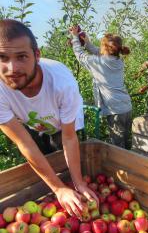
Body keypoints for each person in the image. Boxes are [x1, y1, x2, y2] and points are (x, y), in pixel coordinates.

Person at [0, 19, 98, 218]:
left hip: (65, 124)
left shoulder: (62, 84)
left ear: (37, 55)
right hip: (35, 125)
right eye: (2, 57)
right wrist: (58, 188)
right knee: (46, 161)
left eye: (21, 57)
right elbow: (24, 143)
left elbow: (69, 137)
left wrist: (78, 183)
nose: (11, 68)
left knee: (64, 157)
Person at [69, 26, 132, 149]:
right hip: (126, 106)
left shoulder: (98, 62)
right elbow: (100, 52)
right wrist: (87, 43)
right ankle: (130, 161)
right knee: (125, 140)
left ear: (105, 48)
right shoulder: (118, 60)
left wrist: (75, 38)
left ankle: (120, 165)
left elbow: (80, 55)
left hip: (115, 110)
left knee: (118, 145)